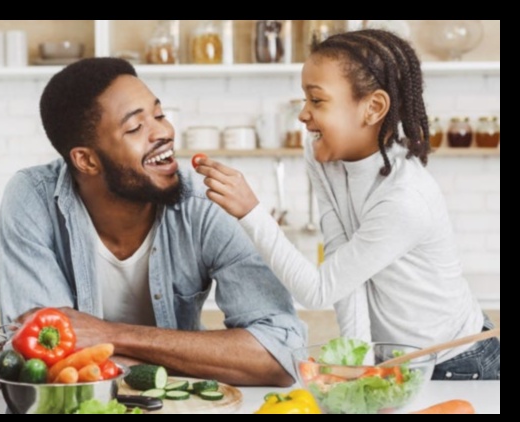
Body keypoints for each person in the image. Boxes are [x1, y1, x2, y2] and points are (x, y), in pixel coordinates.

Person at [195, 29, 499, 380]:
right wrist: (360, 364)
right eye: (304, 99)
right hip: (399, 365)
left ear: (373, 108)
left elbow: (318, 290)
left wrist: (251, 212)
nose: (303, 115)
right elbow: (343, 272)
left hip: (458, 362)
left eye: (317, 100)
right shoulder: (324, 156)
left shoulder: (404, 198)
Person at [0, 57, 306, 386]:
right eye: (134, 128)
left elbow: (281, 356)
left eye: (159, 115)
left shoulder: (206, 203)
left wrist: (109, 335)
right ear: (86, 160)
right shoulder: (32, 198)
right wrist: (199, 360)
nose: (164, 132)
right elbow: (41, 362)